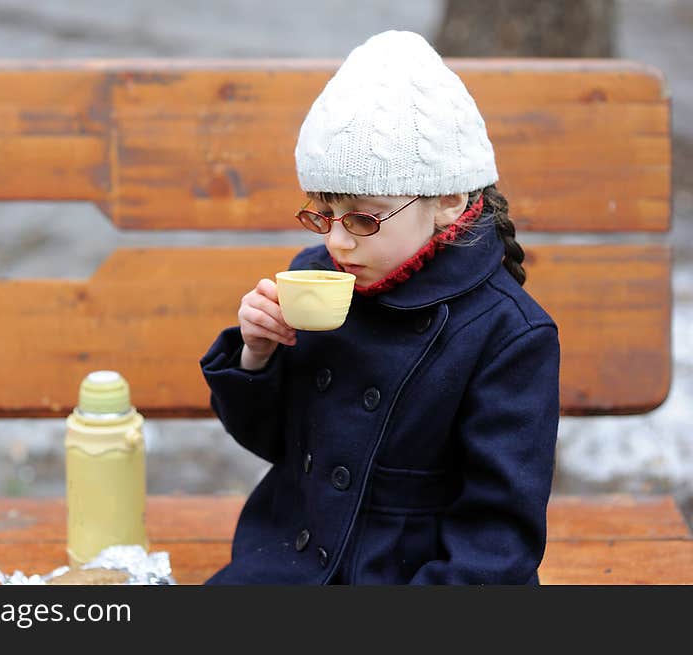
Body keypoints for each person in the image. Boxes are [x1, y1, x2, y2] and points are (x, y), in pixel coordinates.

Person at [199, 30, 560, 584]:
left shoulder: (508, 334)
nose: (339, 242)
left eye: (365, 219)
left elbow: (497, 537)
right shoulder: (318, 277)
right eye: (323, 213)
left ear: (448, 200)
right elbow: (277, 447)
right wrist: (257, 357)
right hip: (286, 564)